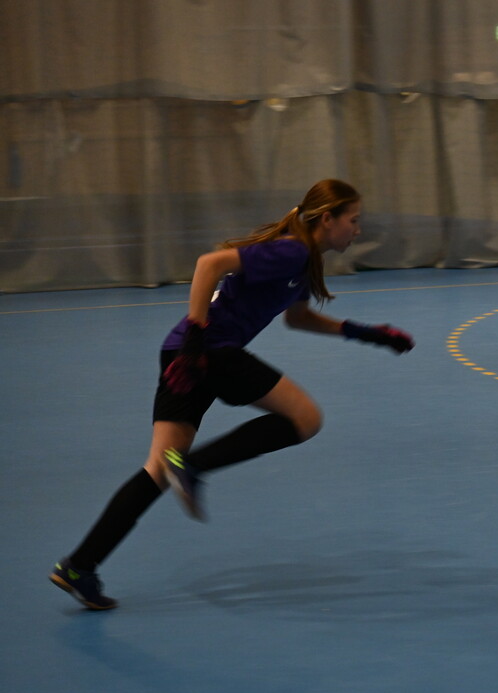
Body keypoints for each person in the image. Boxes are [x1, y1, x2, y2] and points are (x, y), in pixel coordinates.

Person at [49, 179, 414, 610]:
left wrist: (367, 333)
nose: (357, 229)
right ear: (327, 219)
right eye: (353, 220)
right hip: (207, 352)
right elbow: (209, 264)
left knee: (158, 469)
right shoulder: (292, 251)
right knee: (305, 418)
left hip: (181, 352)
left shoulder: (303, 261)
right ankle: (194, 465)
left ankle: (80, 565)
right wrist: (196, 338)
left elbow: (298, 319)